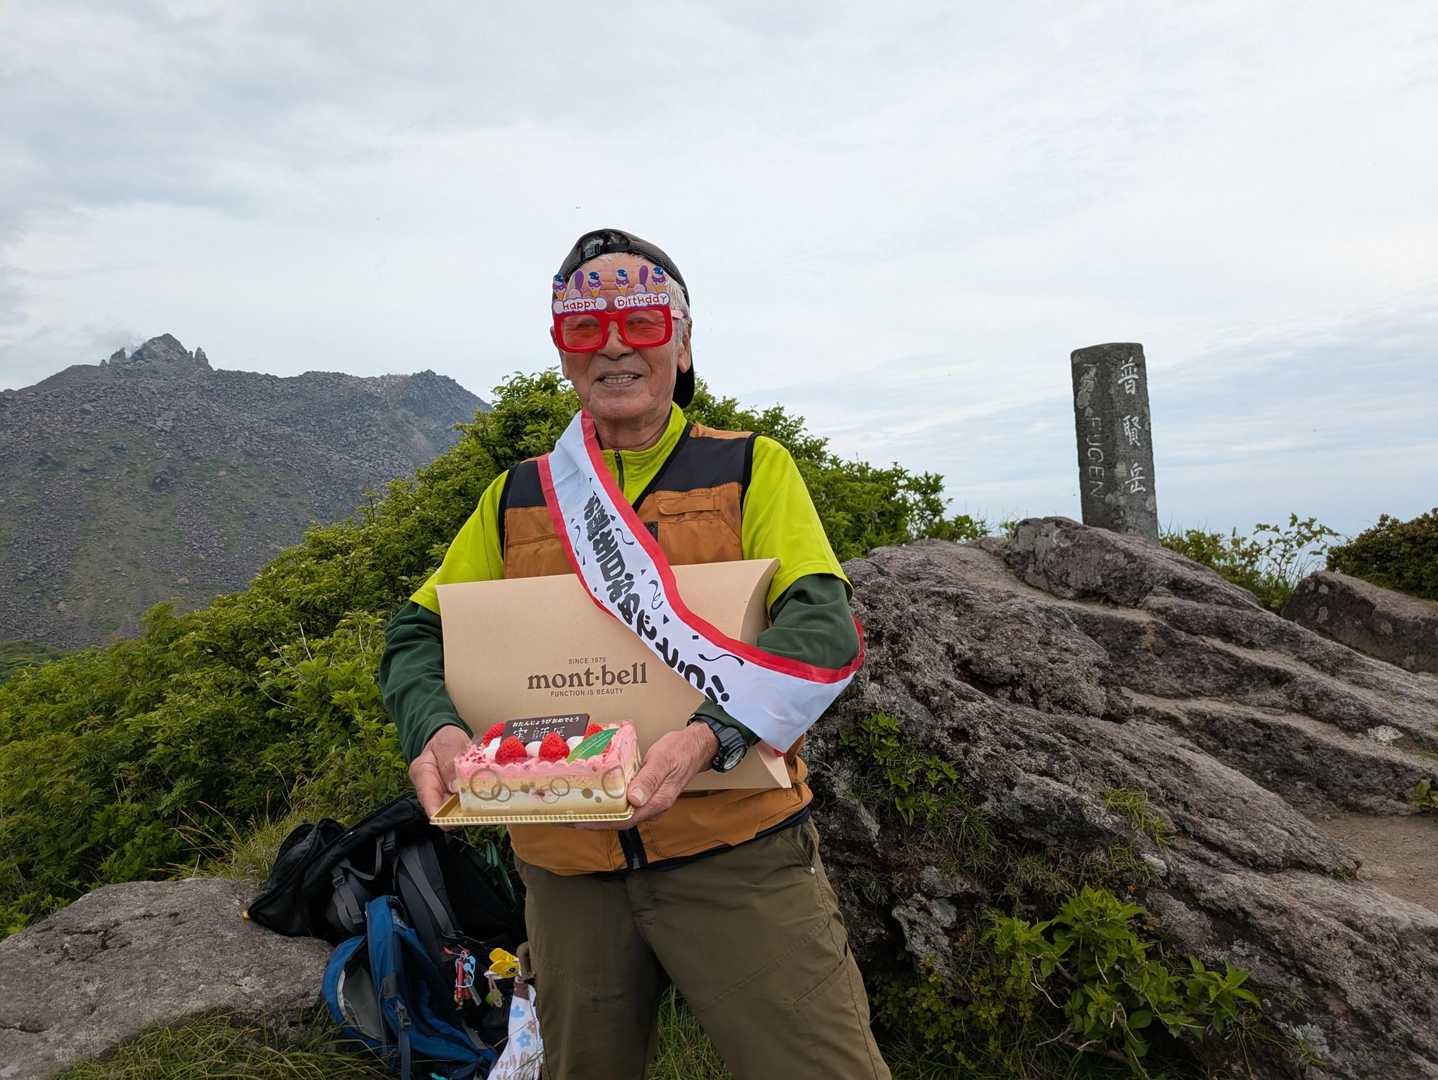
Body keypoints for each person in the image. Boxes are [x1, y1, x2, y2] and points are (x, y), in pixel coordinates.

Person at [379, 228, 891, 1079]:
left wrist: (706, 735)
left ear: (682, 344)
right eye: (585, 327)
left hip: (738, 850)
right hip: (565, 872)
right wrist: (432, 727)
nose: (613, 345)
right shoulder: (517, 495)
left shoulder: (750, 468)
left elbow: (821, 625)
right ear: (563, 353)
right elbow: (415, 632)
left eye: (642, 323)